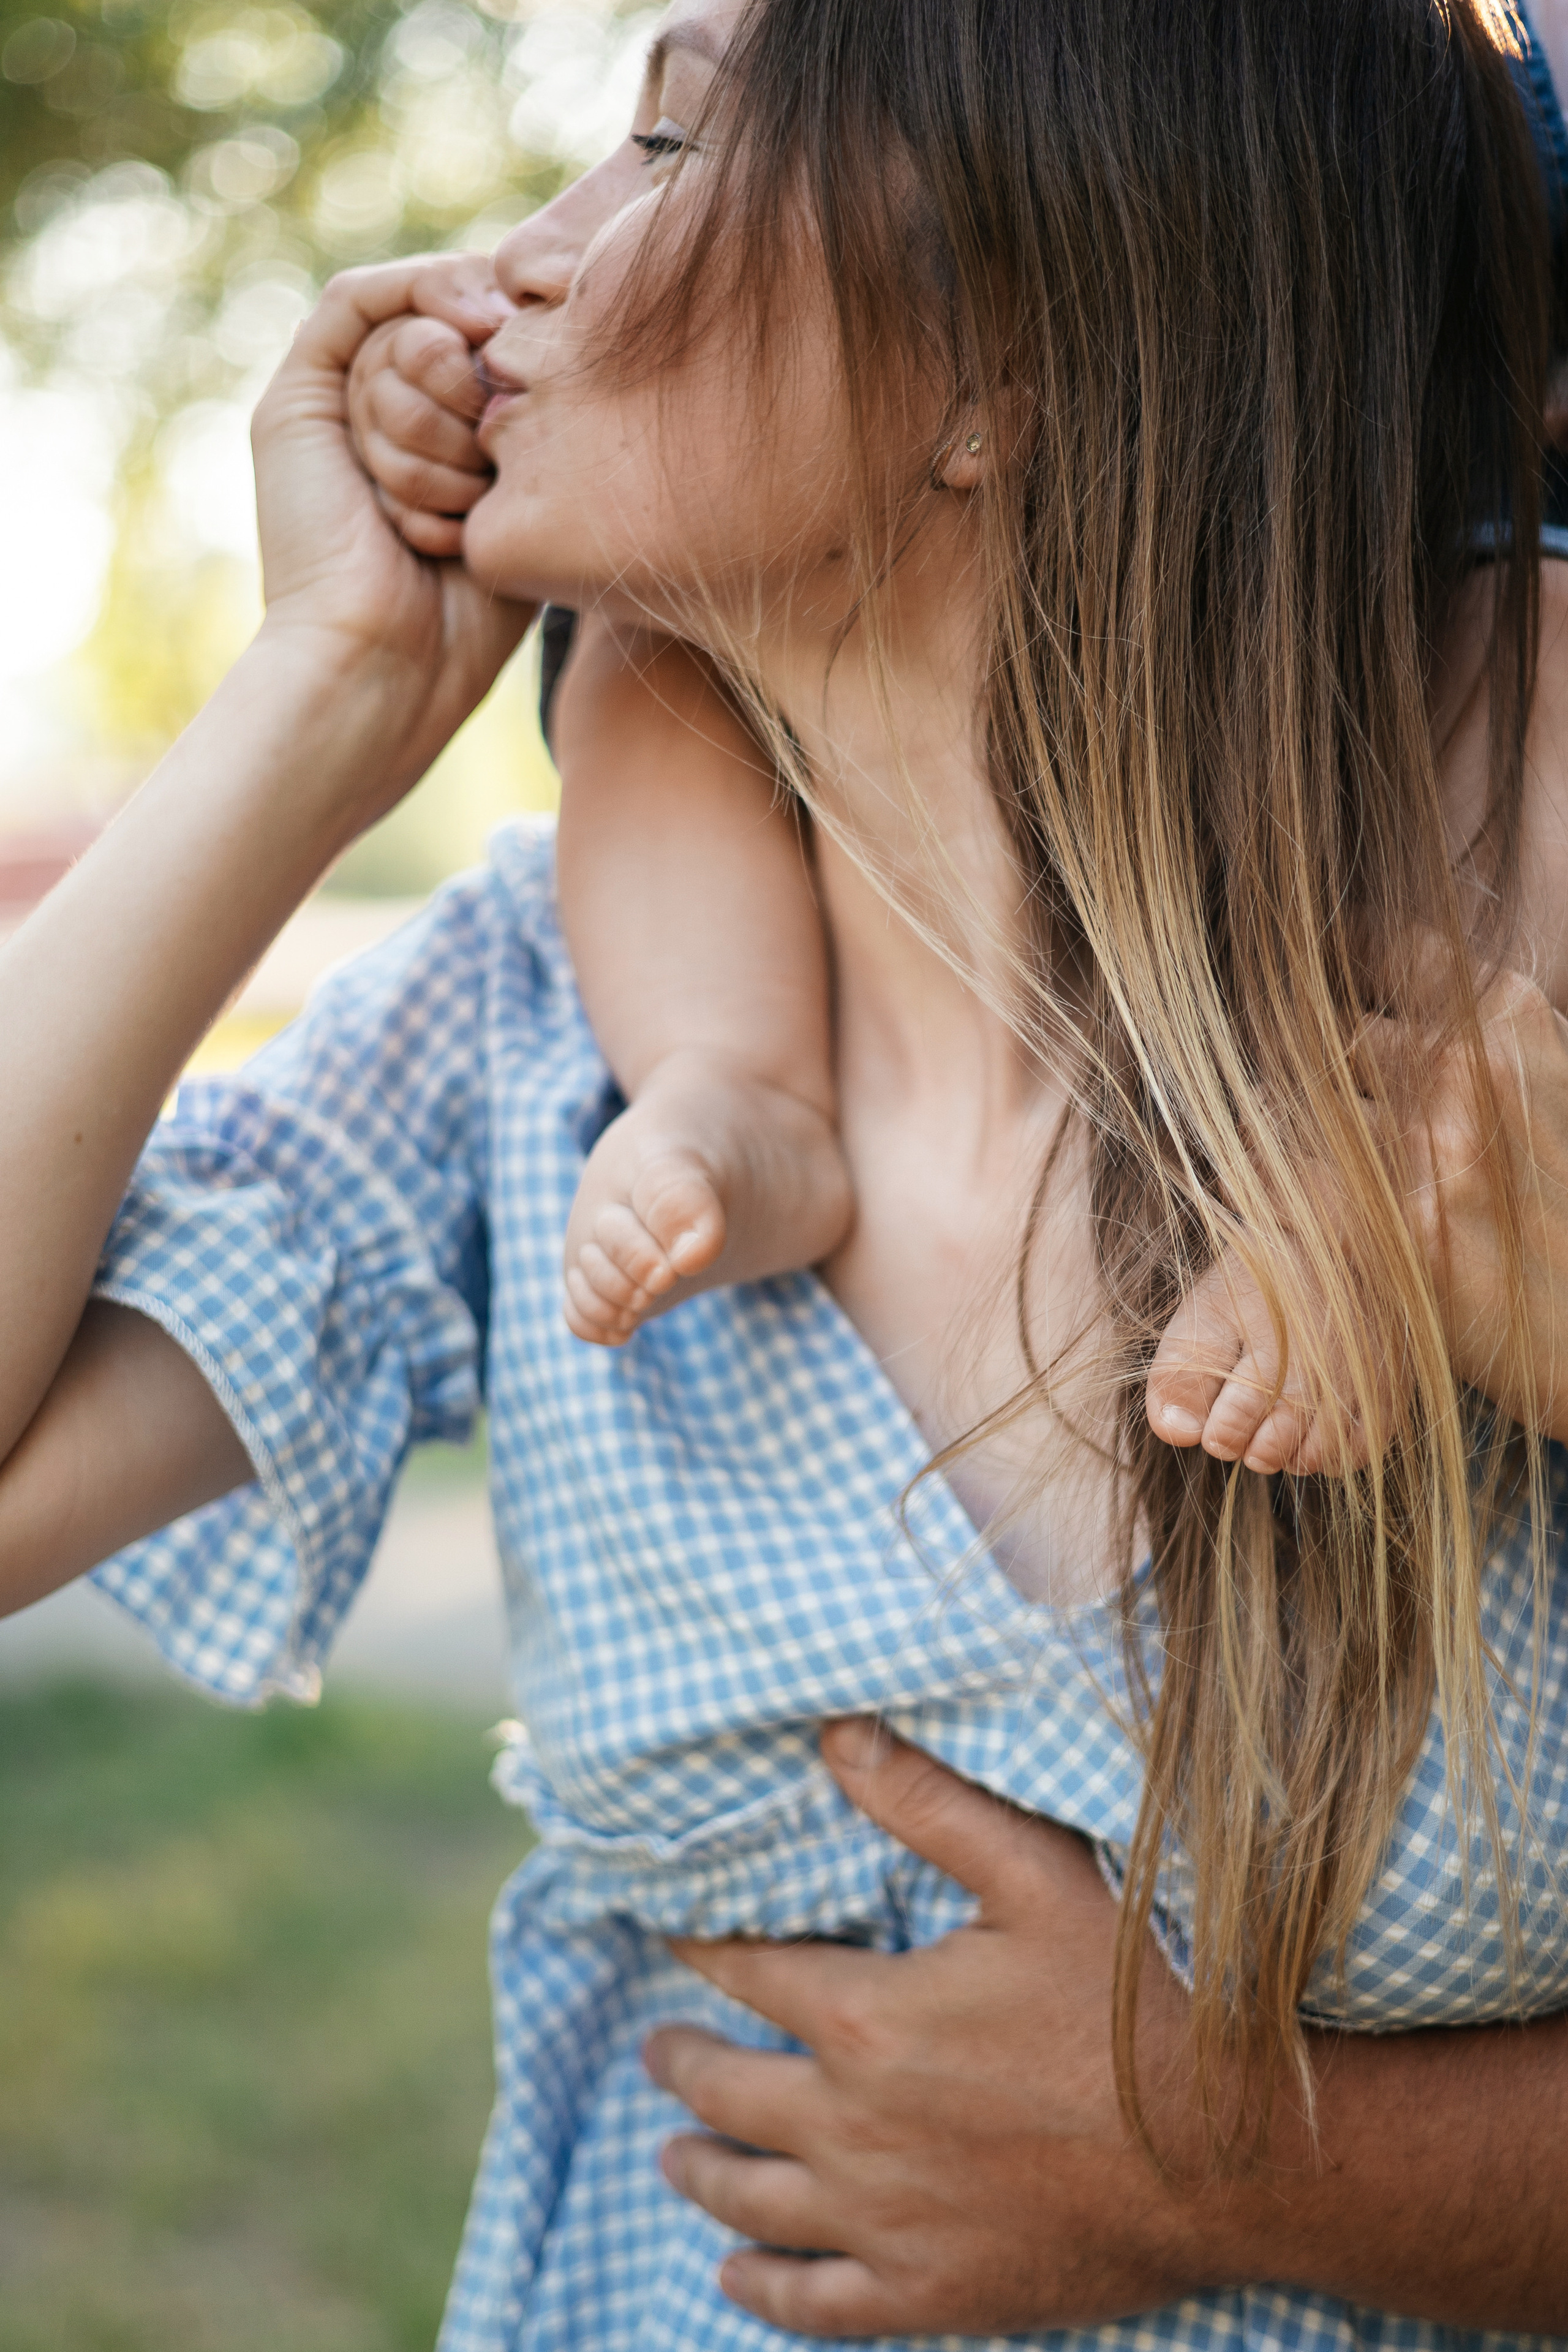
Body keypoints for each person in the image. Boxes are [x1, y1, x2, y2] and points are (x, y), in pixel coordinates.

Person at [3, 6, 1568, 2350]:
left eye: (665, 142)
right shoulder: (534, 1033)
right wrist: (321, 689)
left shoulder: (1502, 1047)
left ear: (1018, 352)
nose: (506, 263)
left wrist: (1250, 2169)